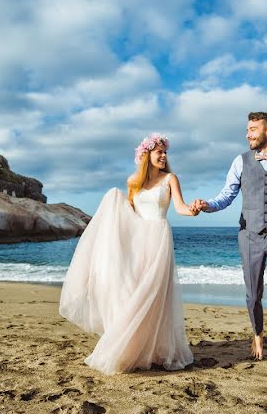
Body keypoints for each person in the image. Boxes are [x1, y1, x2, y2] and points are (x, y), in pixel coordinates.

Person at [59, 132, 196, 374]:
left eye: (165, 152)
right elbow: (129, 213)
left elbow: (180, 207)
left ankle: (152, 350)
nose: (163, 156)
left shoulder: (170, 178)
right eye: (159, 152)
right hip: (137, 240)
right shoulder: (133, 182)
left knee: (152, 295)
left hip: (159, 238)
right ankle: (132, 347)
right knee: (131, 290)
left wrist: (194, 210)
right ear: (146, 155)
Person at [192, 112, 267, 396]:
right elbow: (227, 195)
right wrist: (207, 205)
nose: (247, 134)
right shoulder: (239, 161)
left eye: (252, 129)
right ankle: (257, 333)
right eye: (247, 129)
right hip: (250, 237)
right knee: (253, 295)